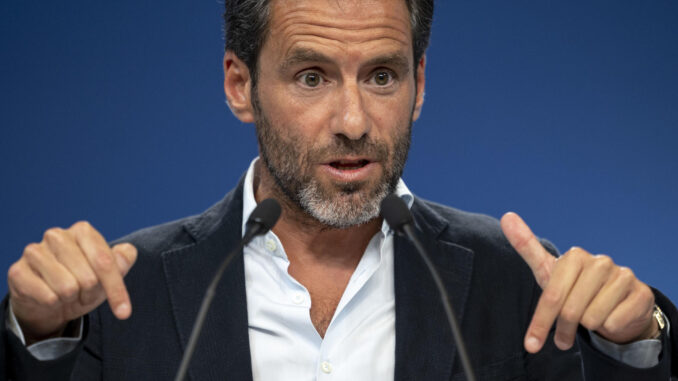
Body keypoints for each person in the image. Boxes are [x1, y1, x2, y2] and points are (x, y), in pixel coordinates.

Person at [2, 0, 676, 380]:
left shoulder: (520, 282)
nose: (354, 121)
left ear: (419, 84)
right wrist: (33, 330)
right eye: (312, 76)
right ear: (240, 85)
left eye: (381, 76)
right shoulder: (125, 296)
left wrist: (639, 338)